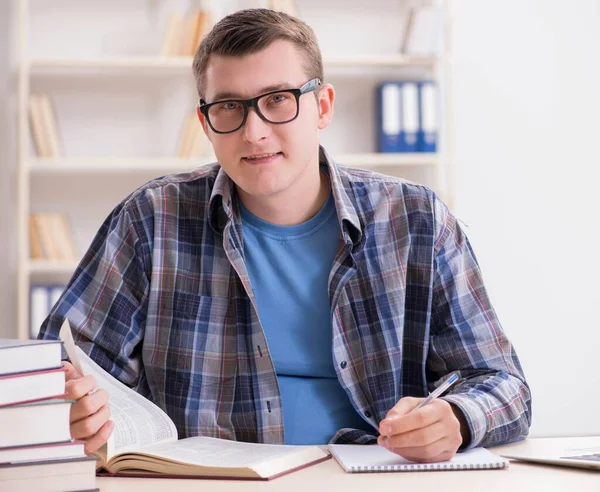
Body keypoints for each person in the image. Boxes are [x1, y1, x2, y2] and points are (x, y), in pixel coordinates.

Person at [39, 8, 531, 463]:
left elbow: (504, 385)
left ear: (322, 106)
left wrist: (460, 420)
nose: (253, 131)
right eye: (230, 106)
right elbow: (64, 369)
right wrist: (70, 406)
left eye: (278, 100)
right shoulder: (150, 220)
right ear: (205, 124)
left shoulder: (417, 221)